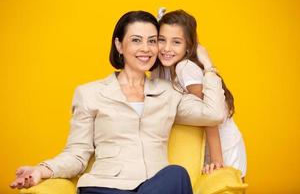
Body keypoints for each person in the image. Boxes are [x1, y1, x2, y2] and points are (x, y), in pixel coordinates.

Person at [10, 10, 225, 193]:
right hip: (104, 186)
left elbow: (214, 114)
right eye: (136, 40)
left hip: (153, 187)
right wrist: (41, 169)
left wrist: (209, 67)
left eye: (152, 41)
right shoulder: (89, 93)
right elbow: (76, 155)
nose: (146, 48)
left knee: (176, 174)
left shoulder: (168, 93)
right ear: (119, 45)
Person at [154, 9, 247, 178]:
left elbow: (208, 114)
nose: (167, 48)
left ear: (189, 46)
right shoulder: (161, 69)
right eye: (162, 40)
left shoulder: (185, 68)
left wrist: (217, 159)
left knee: (227, 183)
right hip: (202, 146)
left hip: (222, 146)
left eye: (176, 42)